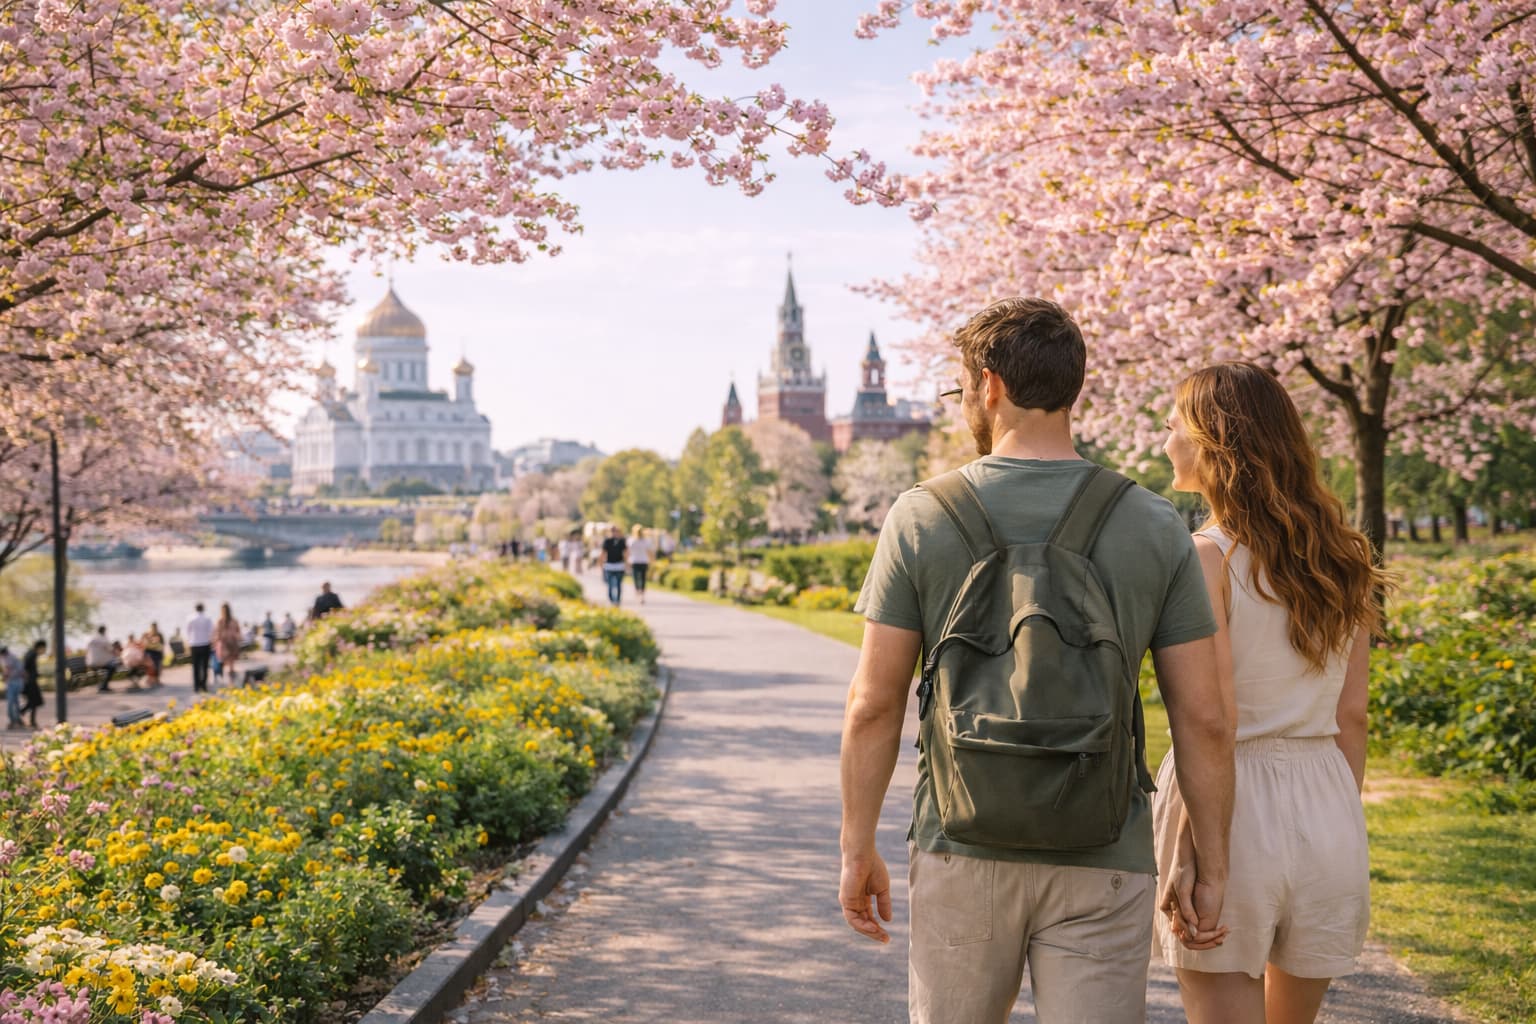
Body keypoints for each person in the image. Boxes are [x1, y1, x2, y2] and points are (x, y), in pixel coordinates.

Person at [839, 297, 1236, 1024]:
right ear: (1071, 388)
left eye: (961, 391)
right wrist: (1208, 864)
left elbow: (873, 702)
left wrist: (855, 844)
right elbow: (1204, 718)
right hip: (1104, 847)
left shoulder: (922, 515)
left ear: (989, 386)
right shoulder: (1153, 523)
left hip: (962, 840)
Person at [1155, 363, 1385, 1024]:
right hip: (1327, 802)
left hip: (1229, 805)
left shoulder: (1207, 557)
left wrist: (1197, 856)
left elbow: (1212, 719)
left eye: (1172, 427)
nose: (1163, 442)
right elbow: (1353, 715)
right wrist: (1336, 814)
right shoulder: (1346, 557)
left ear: (1209, 442)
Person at [186, 603, 214, 694]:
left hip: (194, 644)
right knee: (205, 666)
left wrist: (188, 643)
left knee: (195, 667)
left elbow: (188, 632)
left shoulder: (190, 618)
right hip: (205, 644)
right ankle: (204, 685)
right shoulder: (207, 618)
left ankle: (196, 686)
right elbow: (211, 631)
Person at [214, 603, 242, 687]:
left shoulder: (220, 621)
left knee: (227, 664)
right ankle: (231, 682)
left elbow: (218, 634)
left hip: (225, 644)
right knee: (231, 664)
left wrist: (215, 643)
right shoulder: (233, 620)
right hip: (232, 643)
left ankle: (229, 682)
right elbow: (238, 633)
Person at [85, 625, 118, 693]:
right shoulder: (104, 639)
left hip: (90, 662)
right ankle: (104, 686)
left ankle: (103, 685)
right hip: (100, 663)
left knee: (110, 666)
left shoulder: (91, 638)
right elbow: (111, 650)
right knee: (112, 667)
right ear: (104, 631)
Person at [600, 525, 628, 606]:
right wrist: (601, 563)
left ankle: (617, 600)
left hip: (619, 565)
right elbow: (603, 553)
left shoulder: (622, 541)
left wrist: (626, 564)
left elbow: (625, 553)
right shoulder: (607, 541)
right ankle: (612, 599)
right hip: (609, 565)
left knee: (618, 584)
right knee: (610, 584)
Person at [21, 640, 46, 729]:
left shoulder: (30, 653)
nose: (44, 651)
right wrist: (32, 676)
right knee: (34, 702)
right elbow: (26, 667)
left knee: (33, 702)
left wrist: (36, 674)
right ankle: (24, 715)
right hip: (30, 683)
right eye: (43, 648)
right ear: (40, 647)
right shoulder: (32, 654)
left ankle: (30, 719)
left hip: (30, 681)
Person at [628, 525, 653, 605]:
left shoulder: (631, 540)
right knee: (642, 579)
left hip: (635, 561)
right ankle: (641, 595)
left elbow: (628, 552)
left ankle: (638, 592)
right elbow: (649, 552)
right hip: (643, 561)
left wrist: (627, 561)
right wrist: (652, 560)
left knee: (636, 578)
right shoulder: (645, 541)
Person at [3, 646, 24, 729]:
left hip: (14, 682)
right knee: (15, 702)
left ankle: (14, 720)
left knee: (12, 702)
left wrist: (7, 675)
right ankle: (17, 720)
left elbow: (10, 670)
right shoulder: (12, 657)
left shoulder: (9, 658)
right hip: (15, 682)